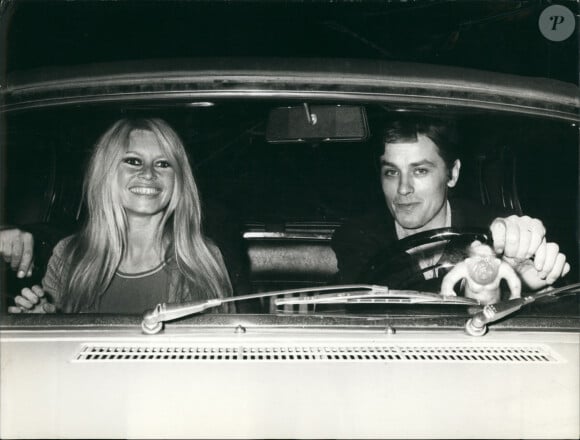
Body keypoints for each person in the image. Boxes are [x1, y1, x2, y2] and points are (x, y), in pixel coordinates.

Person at [6, 118, 233, 313]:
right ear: (106, 173)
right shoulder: (68, 255)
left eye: (163, 164)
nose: (148, 173)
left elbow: (221, 352)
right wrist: (41, 320)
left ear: (179, 182)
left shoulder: (202, 258)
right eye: (133, 161)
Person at [332, 117, 570, 293]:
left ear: (452, 174)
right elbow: (374, 307)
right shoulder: (356, 235)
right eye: (392, 172)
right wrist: (477, 281)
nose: (403, 188)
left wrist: (526, 275)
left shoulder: (494, 228)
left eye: (420, 171)